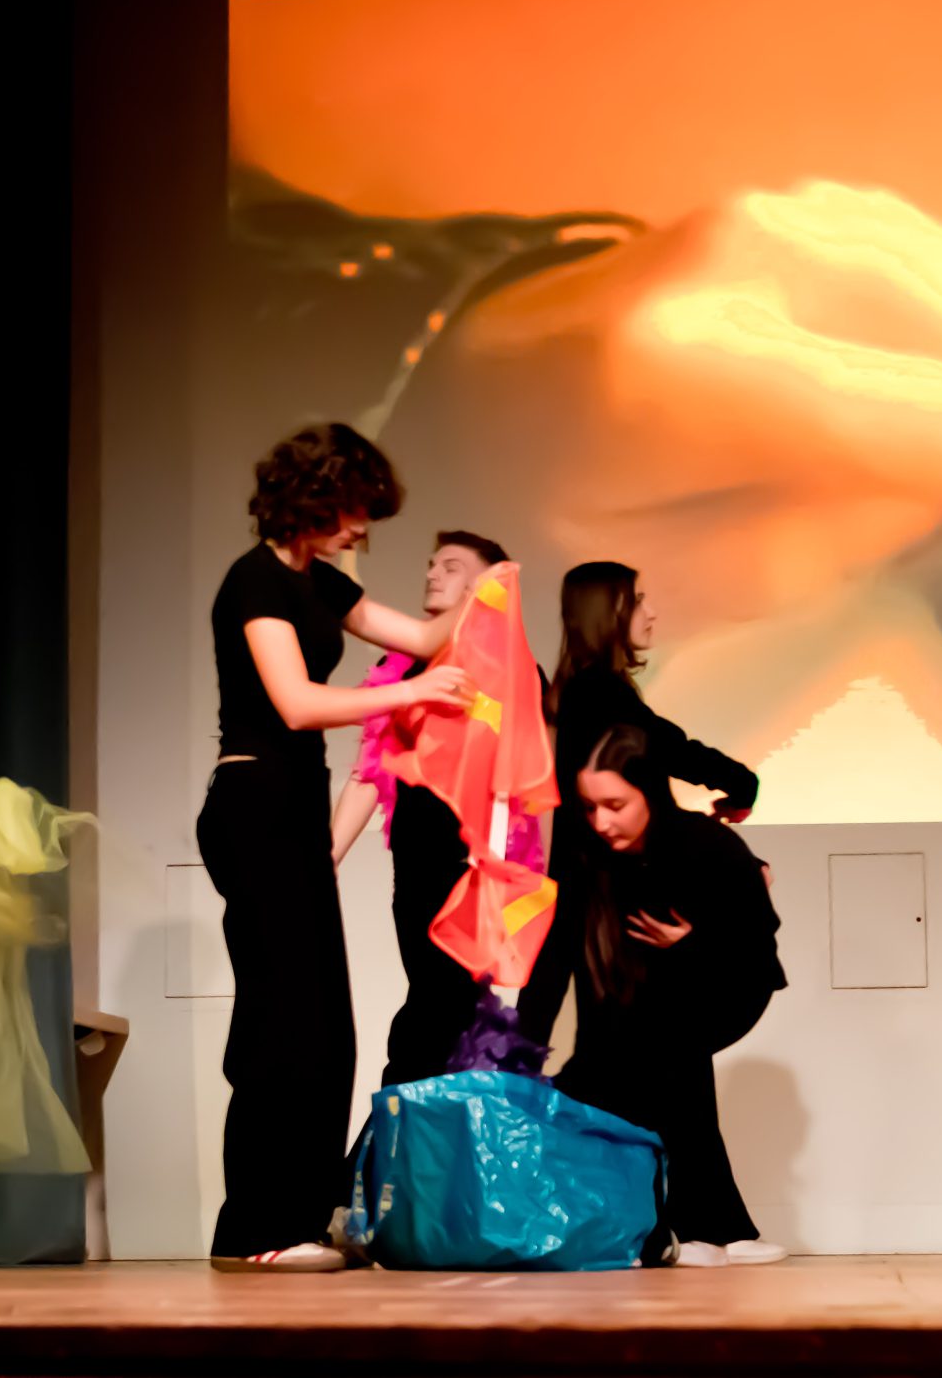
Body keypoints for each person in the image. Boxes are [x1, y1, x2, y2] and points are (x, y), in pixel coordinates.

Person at [199, 425, 473, 1273]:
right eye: (355, 510)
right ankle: (256, 1230)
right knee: (281, 1019)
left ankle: (299, 1217)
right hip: (253, 802)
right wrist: (411, 695)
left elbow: (423, 638)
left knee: (325, 1028)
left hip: (292, 808)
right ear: (315, 498)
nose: (362, 530)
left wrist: (493, 587)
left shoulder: (322, 582)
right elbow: (296, 702)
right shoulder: (254, 581)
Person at [518, 723, 787, 1267]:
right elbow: (556, 958)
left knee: (665, 1050)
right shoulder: (588, 857)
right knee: (597, 1074)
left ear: (650, 795)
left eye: (616, 805)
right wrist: (521, 1052)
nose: (602, 821)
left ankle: (700, 1228)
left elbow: (758, 943)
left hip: (729, 982)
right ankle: (705, 1228)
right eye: (590, 807)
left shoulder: (707, 845)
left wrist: (695, 941)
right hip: (642, 999)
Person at [329, 529, 515, 1088]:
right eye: (432, 564)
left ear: (486, 584)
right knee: (437, 1007)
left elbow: (526, 781)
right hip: (414, 873)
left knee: (443, 1012)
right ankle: (409, 1124)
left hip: (471, 871)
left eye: (452, 566)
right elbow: (369, 771)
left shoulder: (507, 668)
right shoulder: (403, 670)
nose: (433, 574)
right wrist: (327, 856)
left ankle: (398, 1124)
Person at [549, 562, 756, 821]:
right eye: (637, 602)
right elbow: (670, 749)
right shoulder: (598, 690)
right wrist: (743, 783)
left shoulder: (584, 687)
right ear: (608, 613)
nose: (651, 613)